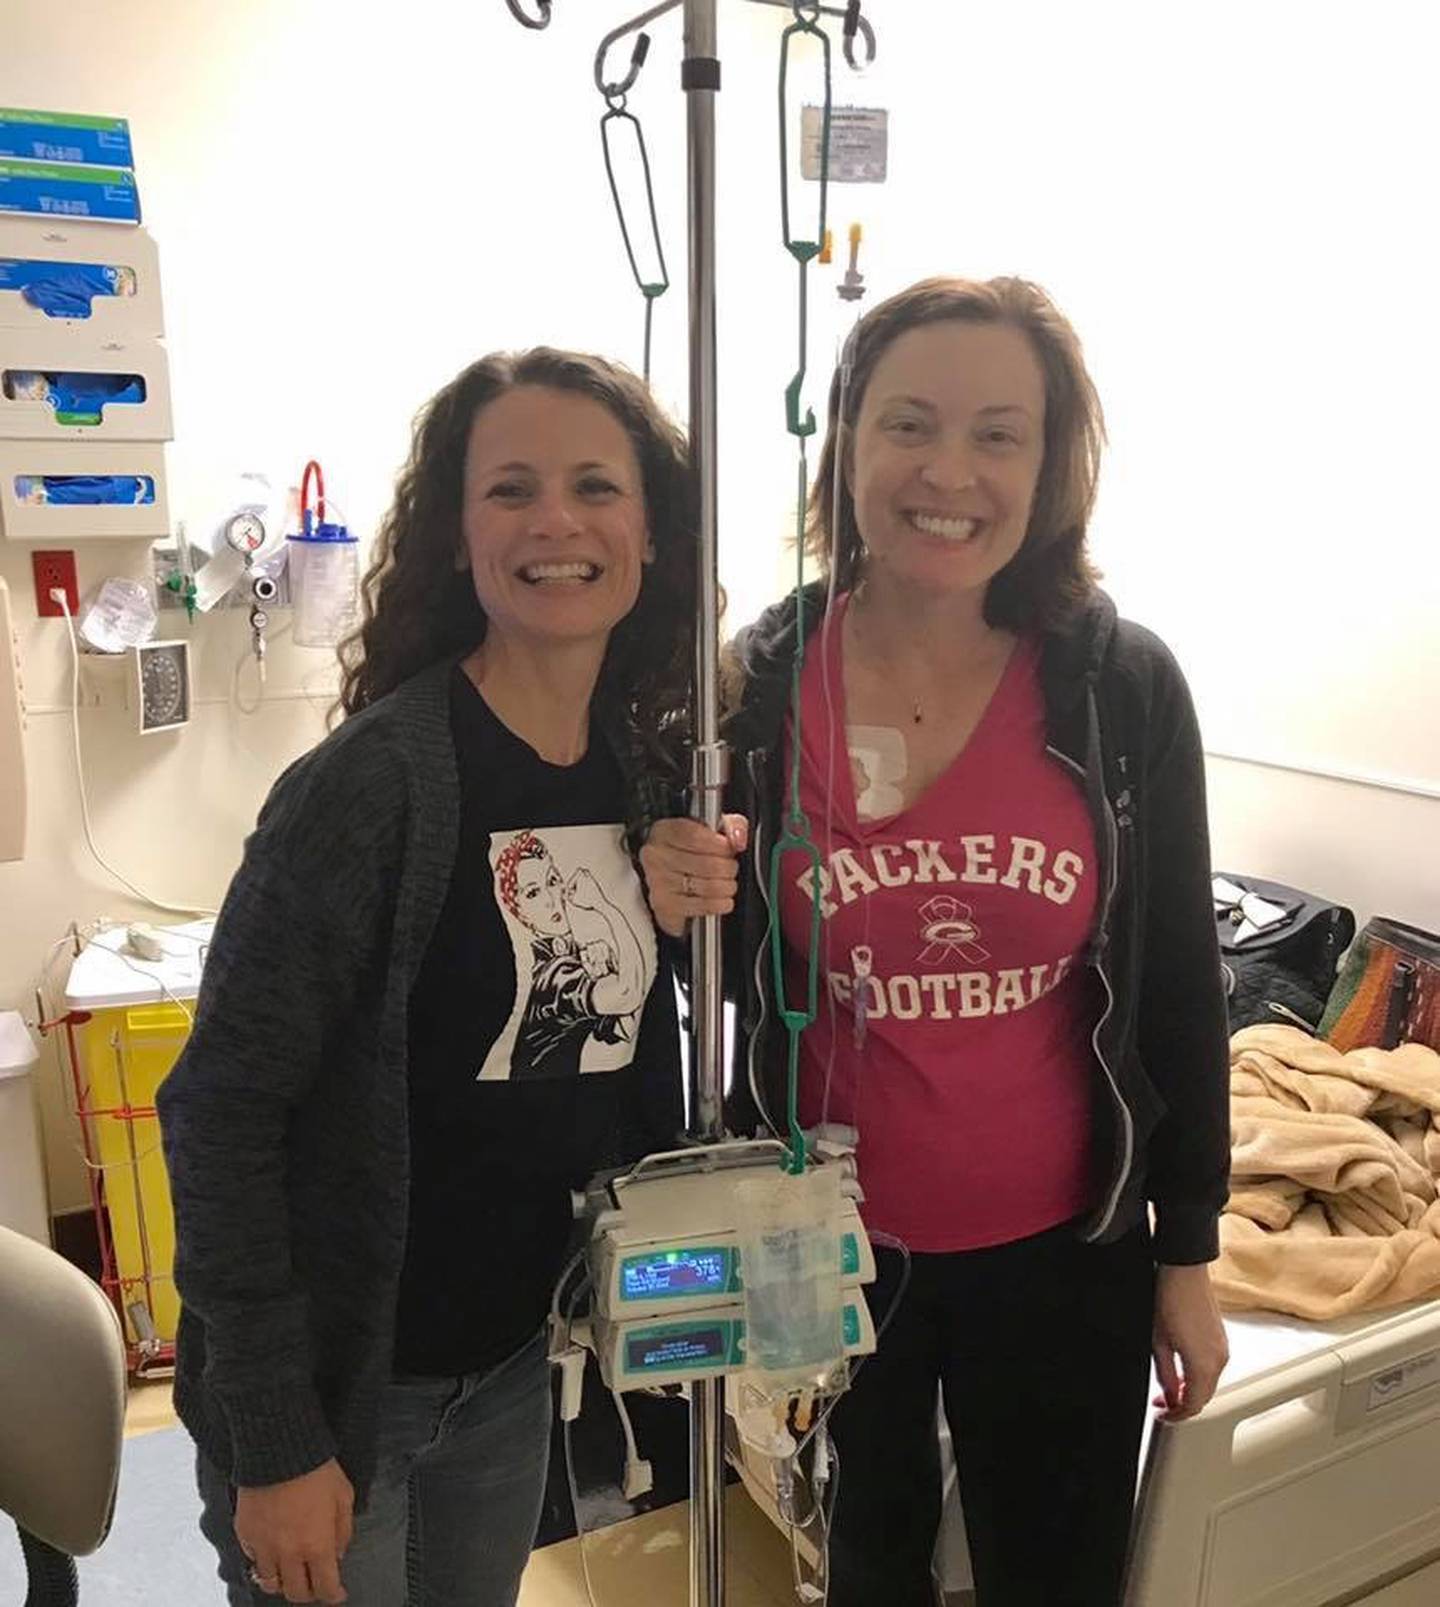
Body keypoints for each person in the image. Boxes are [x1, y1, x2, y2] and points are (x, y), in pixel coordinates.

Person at [642, 276, 1232, 1606]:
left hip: (1065, 1250)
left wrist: (1186, 1253)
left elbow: (1181, 990)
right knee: (864, 1561)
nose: (948, 471)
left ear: (1051, 463)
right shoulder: (754, 684)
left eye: (999, 434)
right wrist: (676, 890)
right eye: (909, 423)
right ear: (846, 443)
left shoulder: (1119, 685)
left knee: (1055, 1571)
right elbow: (705, 979)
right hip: (835, 1245)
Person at [158, 347, 695, 1607]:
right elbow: (218, 1112)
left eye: (594, 487)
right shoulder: (373, 788)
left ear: (650, 531)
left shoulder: (639, 773)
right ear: (459, 538)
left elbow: (574, 1043)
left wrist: (673, 918)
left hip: (505, 1366)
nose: (557, 522)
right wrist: (281, 1438)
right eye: (511, 490)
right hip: (347, 1389)